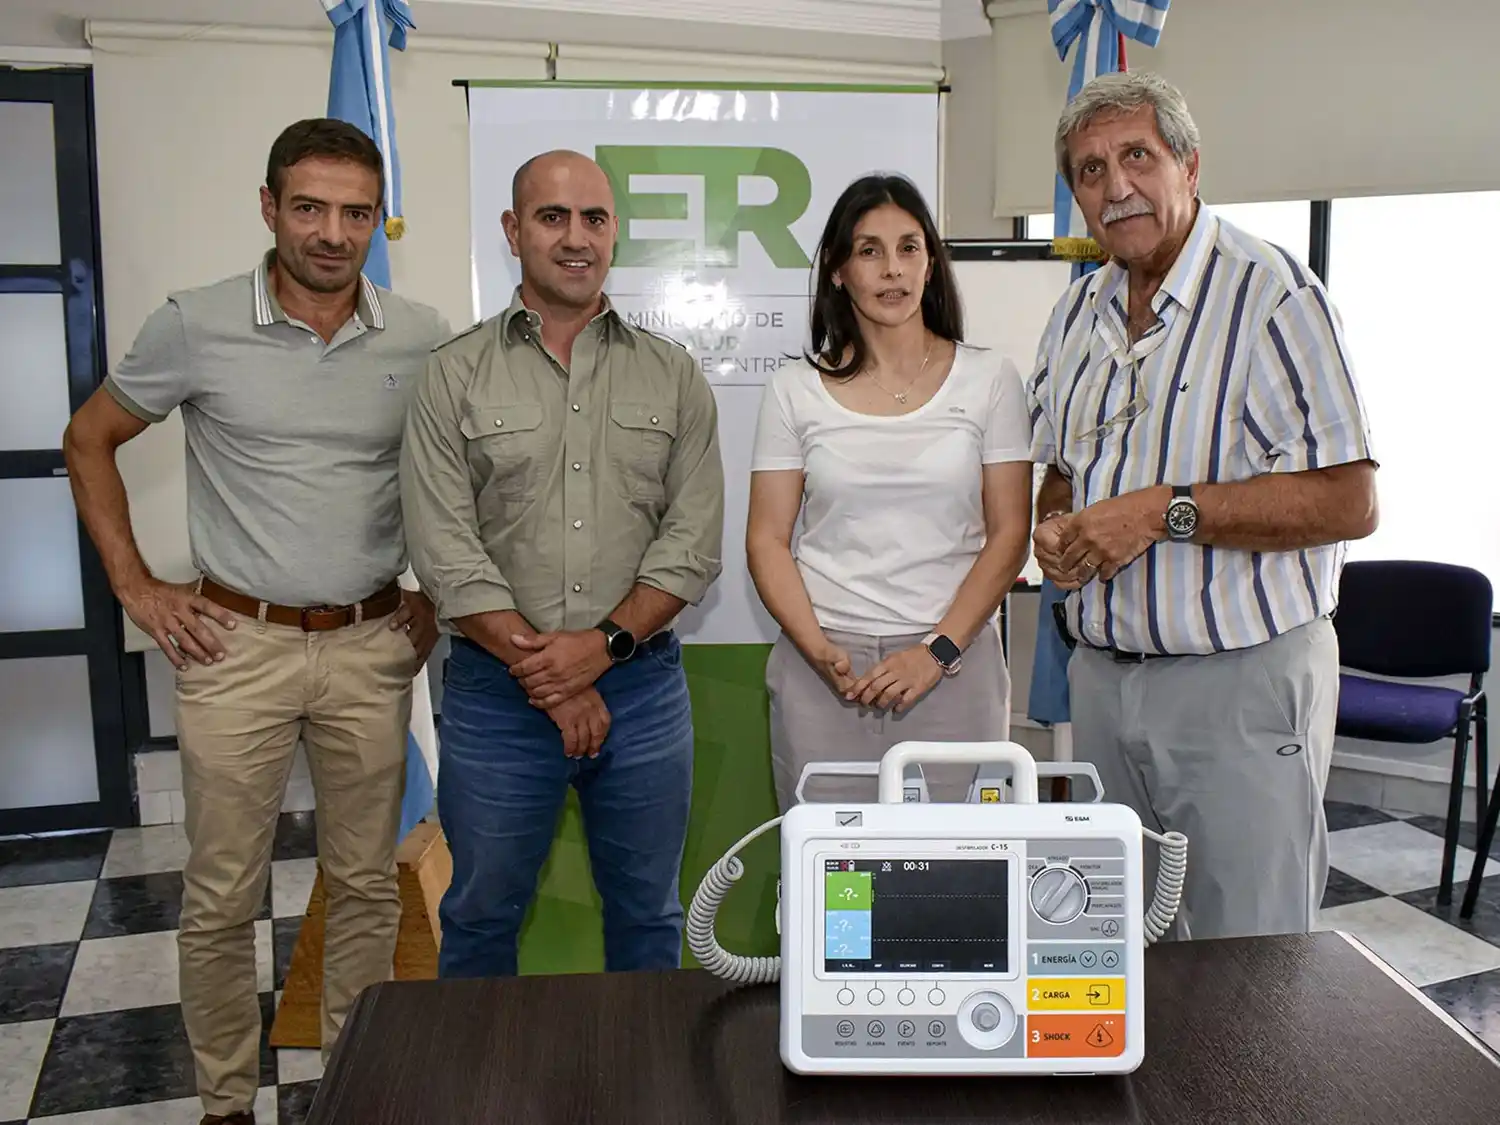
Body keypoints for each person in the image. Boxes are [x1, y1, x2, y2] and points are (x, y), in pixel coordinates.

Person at [62, 118, 448, 1125]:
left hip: (371, 648)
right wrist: (138, 588)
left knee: (366, 888)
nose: (332, 231)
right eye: (310, 207)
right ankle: (228, 1104)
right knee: (223, 896)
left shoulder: (420, 335)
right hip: (236, 648)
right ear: (270, 207)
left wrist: (434, 594)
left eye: (355, 211)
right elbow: (90, 437)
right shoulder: (194, 323)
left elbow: (453, 482)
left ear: (377, 220)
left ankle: (349, 1089)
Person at [1026, 71, 1378, 941]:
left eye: (1136, 157)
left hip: (1239, 685)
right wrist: (1057, 529)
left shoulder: (1273, 298)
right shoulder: (1075, 317)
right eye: (1090, 171)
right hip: (1103, 685)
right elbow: (1064, 473)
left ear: (1188, 164)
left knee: (1251, 966)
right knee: (1118, 949)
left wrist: (1160, 512)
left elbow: (1351, 499)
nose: (1116, 189)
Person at [400, 149, 725, 978]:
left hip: (644, 692)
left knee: (650, 918)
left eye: (595, 218)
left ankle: (645, 1098)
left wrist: (601, 651)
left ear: (614, 231)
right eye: (553, 218)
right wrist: (552, 672)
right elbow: (444, 552)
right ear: (514, 231)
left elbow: (690, 544)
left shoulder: (674, 374)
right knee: (478, 919)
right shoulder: (452, 375)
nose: (576, 238)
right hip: (496, 701)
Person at [746, 174, 1034, 810]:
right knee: (838, 889)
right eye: (869, 250)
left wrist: (936, 652)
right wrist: (818, 651)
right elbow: (767, 538)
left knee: (956, 883)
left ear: (931, 263)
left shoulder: (990, 379)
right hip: (827, 674)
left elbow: (1011, 534)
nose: (892, 269)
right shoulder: (794, 389)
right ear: (838, 270)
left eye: (909, 248)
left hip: (952, 667)